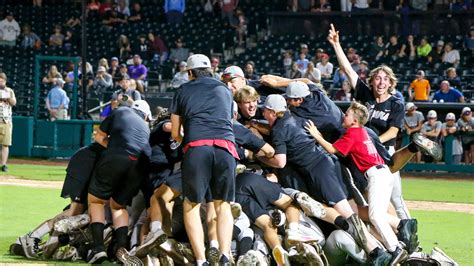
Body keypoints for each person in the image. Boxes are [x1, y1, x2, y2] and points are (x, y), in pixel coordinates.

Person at [305, 101, 408, 265]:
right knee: (378, 215)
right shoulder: (362, 131)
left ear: (354, 121)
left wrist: (317, 135)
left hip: (376, 175)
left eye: (347, 114)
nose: (344, 116)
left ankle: (396, 248)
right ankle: (403, 226)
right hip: (384, 173)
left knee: (375, 216)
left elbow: (332, 150)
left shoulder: (352, 133)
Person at [328, 23, 411, 221]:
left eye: (385, 80)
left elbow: (393, 132)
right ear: (372, 81)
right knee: (365, 197)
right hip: (361, 155)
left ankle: (410, 236)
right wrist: (336, 44)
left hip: (384, 154)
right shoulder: (365, 94)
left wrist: (370, 144)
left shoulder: (396, 103)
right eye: (378, 79)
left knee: (396, 198)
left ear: (391, 83)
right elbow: (348, 70)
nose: (381, 83)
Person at [169, 54, 237, 265]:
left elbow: (174, 132)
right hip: (226, 147)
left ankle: (201, 260)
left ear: (190, 73)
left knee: (192, 205)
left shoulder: (183, 90)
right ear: (210, 71)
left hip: (198, 147)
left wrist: (183, 139)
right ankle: (225, 255)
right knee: (223, 205)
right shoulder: (225, 90)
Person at [86, 99, 151, 264]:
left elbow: (99, 137)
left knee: (96, 201)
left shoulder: (120, 111)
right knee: (118, 206)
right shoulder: (146, 127)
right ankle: (121, 250)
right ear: (146, 116)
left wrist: (116, 147)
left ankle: (98, 249)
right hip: (140, 164)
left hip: (117, 156)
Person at [0, 73, 16, 172]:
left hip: (6, 120)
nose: (0, 82)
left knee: (5, 144)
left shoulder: (9, 91)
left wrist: (7, 97)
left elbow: (14, 103)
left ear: (5, 81)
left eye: (2, 80)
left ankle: (4, 165)